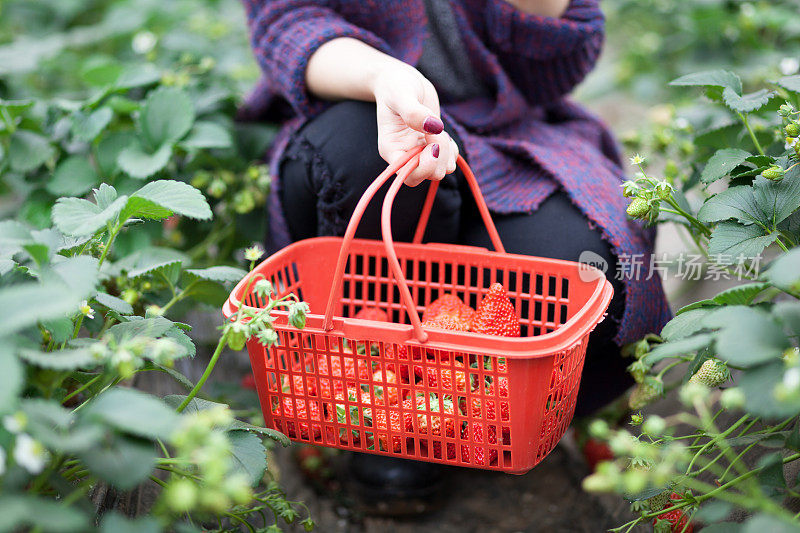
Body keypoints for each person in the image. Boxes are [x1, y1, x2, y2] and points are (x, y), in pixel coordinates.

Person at [239, 0, 671, 513]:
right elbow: (286, 23)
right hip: (356, 117)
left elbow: (559, 59)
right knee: (358, 153)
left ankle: (484, 404)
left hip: (505, 136)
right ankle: (385, 418)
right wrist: (384, 78)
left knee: (592, 269)